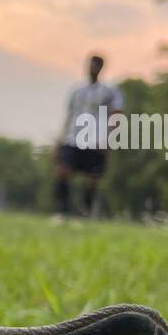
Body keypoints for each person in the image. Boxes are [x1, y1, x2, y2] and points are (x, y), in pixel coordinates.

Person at [55, 55, 122, 218]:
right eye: (90, 65)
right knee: (63, 171)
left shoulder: (110, 92)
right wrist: (59, 140)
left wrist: (109, 138)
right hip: (72, 137)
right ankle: (63, 208)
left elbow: (116, 115)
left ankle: (85, 210)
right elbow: (69, 115)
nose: (92, 69)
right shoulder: (77, 90)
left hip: (96, 139)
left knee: (92, 178)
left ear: (101, 68)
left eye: (96, 66)